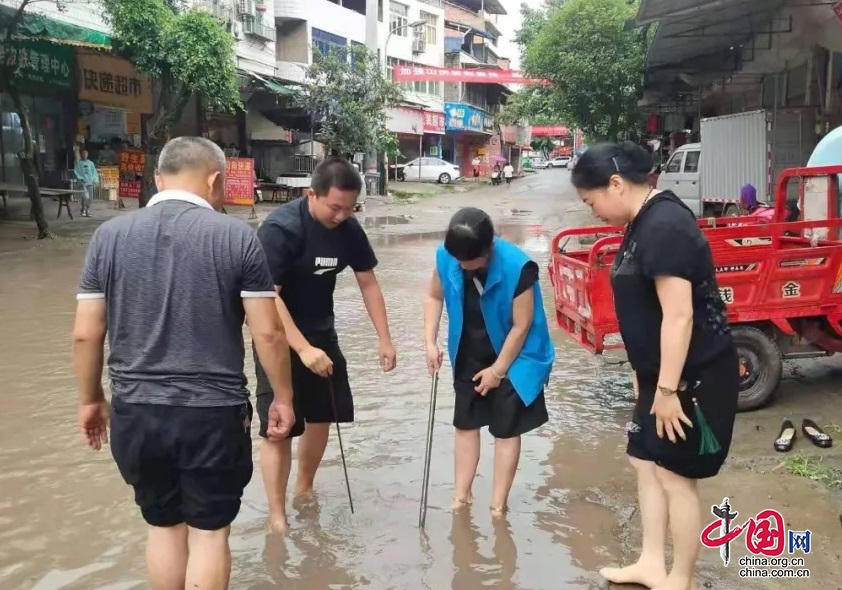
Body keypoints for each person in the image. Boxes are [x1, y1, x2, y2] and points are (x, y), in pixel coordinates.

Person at [71, 136, 295, 590]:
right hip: (211, 414)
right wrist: (284, 397)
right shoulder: (237, 237)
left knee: (163, 525)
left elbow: (85, 332)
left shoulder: (108, 237)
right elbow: (268, 332)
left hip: (136, 411)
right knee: (210, 533)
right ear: (215, 181)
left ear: (158, 180)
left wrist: (90, 399)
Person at [571, 142, 738, 590]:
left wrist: (666, 391)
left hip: (692, 374)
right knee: (643, 460)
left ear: (616, 184)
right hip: (658, 374)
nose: (594, 212)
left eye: (592, 202)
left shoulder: (664, 224)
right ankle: (650, 562)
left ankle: (678, 579)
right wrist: (643, 373)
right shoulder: (641, 222)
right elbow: (646, 310)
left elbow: (680, 315)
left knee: (674, 474)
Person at [254, 156, 397, 531]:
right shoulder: (281, 229)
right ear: (311, 195)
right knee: (280, 424)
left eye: (349, 209)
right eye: (334, 207)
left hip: (322, 332)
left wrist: (385, 339)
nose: (341, 215)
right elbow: (268, 299)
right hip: (276, 336)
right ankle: (277, 517)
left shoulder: (348, 228)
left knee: (323, 415)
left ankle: (304, 488)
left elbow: (368, 282)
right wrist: (302, 349)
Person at [422, 207, 555, 515]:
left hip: (516, 353)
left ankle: (498, 506)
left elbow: (521, 326)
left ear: (489, 248)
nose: (464, 268)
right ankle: (461, 496)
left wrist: (498, 371)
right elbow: (433, 296)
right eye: (460, 262)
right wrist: (429, 342)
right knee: (466, 422)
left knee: (505, 427)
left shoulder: (518, 267)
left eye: (472, 262)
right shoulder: (447, 256)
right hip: (469, 346)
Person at [74, 148, 99, 217]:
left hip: (90, 183)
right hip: (83, 184)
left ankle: (88, 210)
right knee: (84, 197)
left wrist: (96, 180)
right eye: (83, 154)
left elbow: (94, 172)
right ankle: (83, 210)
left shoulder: (91, 163)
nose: (84, 155)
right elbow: (76, 172)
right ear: (81, 155)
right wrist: (81, 179)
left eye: (86, 153)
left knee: (90, 197)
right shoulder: (78, 163)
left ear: (87, 154)